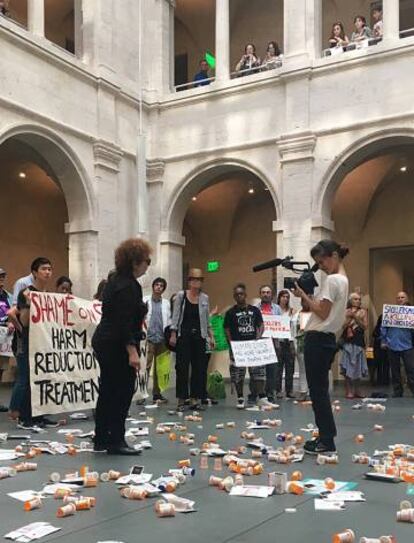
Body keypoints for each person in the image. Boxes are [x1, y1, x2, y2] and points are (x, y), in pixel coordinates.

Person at [92, 238, 151, 455]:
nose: (147, 265)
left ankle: (101, 438)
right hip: (116, 345)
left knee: (107, 390)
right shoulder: (129, 286)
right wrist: (132, 351)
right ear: (135, 262)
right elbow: (123, 322)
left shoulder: (115, 281)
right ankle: (116, 440)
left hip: (105, 341)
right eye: (147, 261)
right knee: (122, 391)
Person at [292, 240, 349, 454]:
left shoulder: (333, 280)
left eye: (322, 261)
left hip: (318, 339)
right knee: (320, 390)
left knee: (318, 392)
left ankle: (326, 439)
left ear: (333, 255)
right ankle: (326, 435)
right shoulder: (343, 279)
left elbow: (322, 312)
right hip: (326, 340)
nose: (321, 266)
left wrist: (304, 296)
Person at [8, 257, 57, 429]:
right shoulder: (26, 293)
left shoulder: (47, 295)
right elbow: (25, 321)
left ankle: (39, 416)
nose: (48, 272)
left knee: (41, 378)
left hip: (42, 343)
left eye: (50, 269)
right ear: (35, 272)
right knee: (27, 378)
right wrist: (28, 304)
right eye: (44, 269)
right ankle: (25, 418)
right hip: (26, 343)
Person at [169, 268, 215, 411]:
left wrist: (211, 335)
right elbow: (175, 316)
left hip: (200, 336)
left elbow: (206, 318)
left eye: (199, 280)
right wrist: (173, 333)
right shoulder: (181, 296)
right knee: (182, 368)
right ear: (189, 281)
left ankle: (195, 399)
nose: (197, 283)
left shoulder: (205, 298)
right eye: (194, 280)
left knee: (199, 368)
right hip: (184, 336)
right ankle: (182, 399)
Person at [224, 283, 276, 410]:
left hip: (253, 345)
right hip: (238, 347)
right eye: (236, 294)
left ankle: (262, 398)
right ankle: (240, 398)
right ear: (234, 296)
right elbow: (226, 329)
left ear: (245, 295)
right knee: (238, 374)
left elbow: (261, 325)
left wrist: (258, 338)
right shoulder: (231, 312)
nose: (239, 296)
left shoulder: (254, 310)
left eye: (241, 294)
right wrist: (231, 343)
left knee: (258, 373)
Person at [381, 291, 414, 398]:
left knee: (411, 369)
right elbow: (383, 327)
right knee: (395, 370)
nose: (400, 299)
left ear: (407, 299)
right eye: (398, 297)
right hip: (392, 344)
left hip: (407, 345)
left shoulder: (412, 313)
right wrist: (383, 340)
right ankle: (397, 391)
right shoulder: (390, 312)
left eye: (402, 297)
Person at [144, 277, 171, 404]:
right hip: (149, 338)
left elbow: (169, 320)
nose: (159, 287)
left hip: (162, 338)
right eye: (157, 284)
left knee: (159, 368)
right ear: (153, 286)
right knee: (146, 366)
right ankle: (142, 394)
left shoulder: (166, 303)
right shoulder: (145, 301)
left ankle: (157, 394)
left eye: (161, 285)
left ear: (163, 289)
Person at [340, 292, 368, 399]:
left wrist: (355, 317)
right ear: (351, 300)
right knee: (347, 367)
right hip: (348, 341)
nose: (358, 301)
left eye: (359, 299)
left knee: (358, 367)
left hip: (359, 341)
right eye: (355, 299)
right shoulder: (346, 311)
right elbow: (342, 326)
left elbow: (365, 326)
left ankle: (357, 390)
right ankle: (349, 391)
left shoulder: (363, 312)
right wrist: (349, 318)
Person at [256, 284, 281, 403]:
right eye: (263, 292)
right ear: (260, 294)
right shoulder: (255, 308)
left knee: (272, 370)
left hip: (273, 343)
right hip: (259, 344)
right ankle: (257, 394)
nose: (266, 294)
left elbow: (281, 325)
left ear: (272, 295)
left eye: (268, 292)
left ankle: (270, 393)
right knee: (257, 370)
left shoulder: (277, 309)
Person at [276, 289, 296, 399]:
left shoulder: (291, 311)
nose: (285, 299)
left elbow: (293, 328)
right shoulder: (275, 310)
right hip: (279, 342)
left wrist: (293, 343)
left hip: (289, 342)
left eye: (287, 297)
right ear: (279, 298)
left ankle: (289, 390)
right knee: (278, 368)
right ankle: (278, 390)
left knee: (290, 368)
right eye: (283, 296)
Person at [0, 267, 13, 412]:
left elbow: (11, 312)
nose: (1, 278)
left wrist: (10, 321)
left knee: (1, 368)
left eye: (3, 276)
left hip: (4, 336)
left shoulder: (7, 296)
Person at [294, 298, 312, 401]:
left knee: (313, 370)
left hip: (313, 344)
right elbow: (293, 330)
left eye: (308, 301)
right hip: (300, 345)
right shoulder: (296, 315)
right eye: (304, 301)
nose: (306, 303)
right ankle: (303, 391)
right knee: (302, 369)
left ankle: (312, 392)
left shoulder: (315, 314)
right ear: (301, 303)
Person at [372, 314, 389, 386]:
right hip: (378, 348)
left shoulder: (389, 328)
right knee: (378, 364)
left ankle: (385, 380)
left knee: (386, 365)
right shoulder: (377, 327)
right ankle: (379, 380)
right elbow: (374, 335)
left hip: (387, 348)